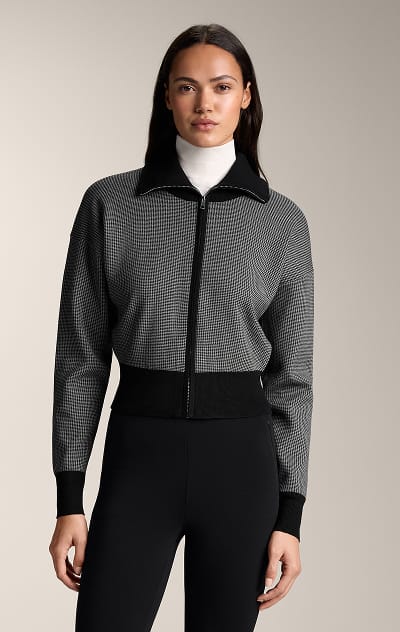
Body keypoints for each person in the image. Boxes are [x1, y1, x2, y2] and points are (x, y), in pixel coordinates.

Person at [48, 23, 314, 632]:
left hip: (241, 466)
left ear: (246, 95)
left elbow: (293, 378)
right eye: (187, 87)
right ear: (167, 96)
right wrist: (69, 499)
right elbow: (80, 358)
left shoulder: (281, 222)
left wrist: (290, 516)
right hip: (139, 457)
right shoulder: (111, 203)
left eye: (221, 86)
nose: (205, 103)